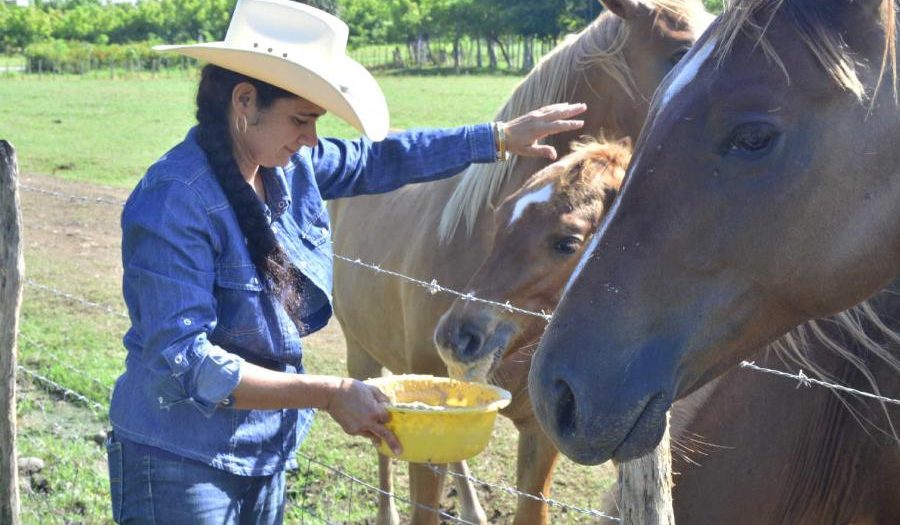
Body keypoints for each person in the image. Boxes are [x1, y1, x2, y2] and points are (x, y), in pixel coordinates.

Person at [105, 0, 586, 523]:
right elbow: (188, 362)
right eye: (301, 119)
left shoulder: (284, 167)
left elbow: (380, 158)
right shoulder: (174, 201)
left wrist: (497, 139)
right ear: (245, 101)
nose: (312, 138)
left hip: (263, 453)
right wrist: (330, 393)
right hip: (181, 460)